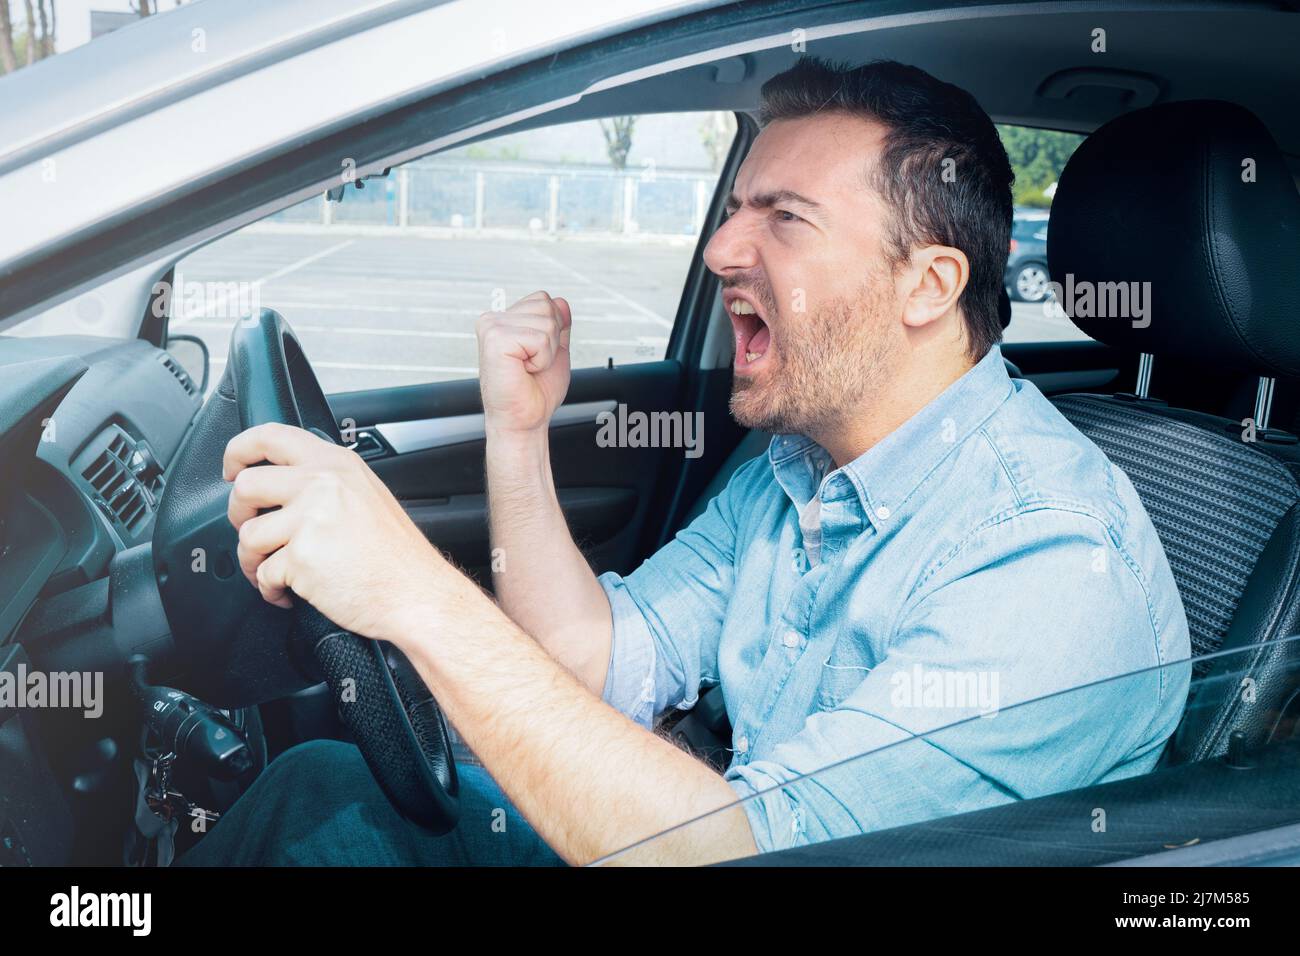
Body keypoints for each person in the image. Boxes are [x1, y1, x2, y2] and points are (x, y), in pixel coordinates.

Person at [180, 57, 1190, 867]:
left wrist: (409, 590)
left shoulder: (1048, 558)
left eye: (784, 218)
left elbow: (730, 849)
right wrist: (518, 431)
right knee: (324, 787)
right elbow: (593, 663)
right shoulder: (793, 462)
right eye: (737, 206)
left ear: (927, 284)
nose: (719, 247)